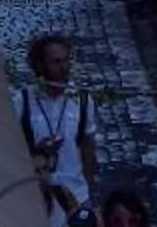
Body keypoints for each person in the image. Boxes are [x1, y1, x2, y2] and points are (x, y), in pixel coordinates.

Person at [21, 35, 99, 223]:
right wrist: (38, 151)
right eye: (56, 62)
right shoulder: (22, 102)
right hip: (41, 197)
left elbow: (88, 146)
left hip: (77, 196)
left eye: (66, 61)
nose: (64, 68)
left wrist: (88, 187)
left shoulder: (81, 100)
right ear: (40, 66)